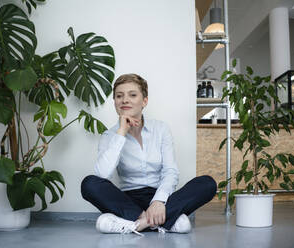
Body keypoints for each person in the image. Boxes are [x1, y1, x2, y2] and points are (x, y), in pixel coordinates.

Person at [81, 73, 216, 235]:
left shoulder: (161, 129)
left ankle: (138, 224)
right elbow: (101, 175)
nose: (124, 100)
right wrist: (122, 132)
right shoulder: (109, 136)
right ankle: (163, 222)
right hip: (127, 200)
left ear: (144, 101)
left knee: (207, 183)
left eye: (132, 95)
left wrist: (158, 201)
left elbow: (170, 171)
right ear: (115, 102)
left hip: (160, 197)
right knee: (89, 184)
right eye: (119, 96)